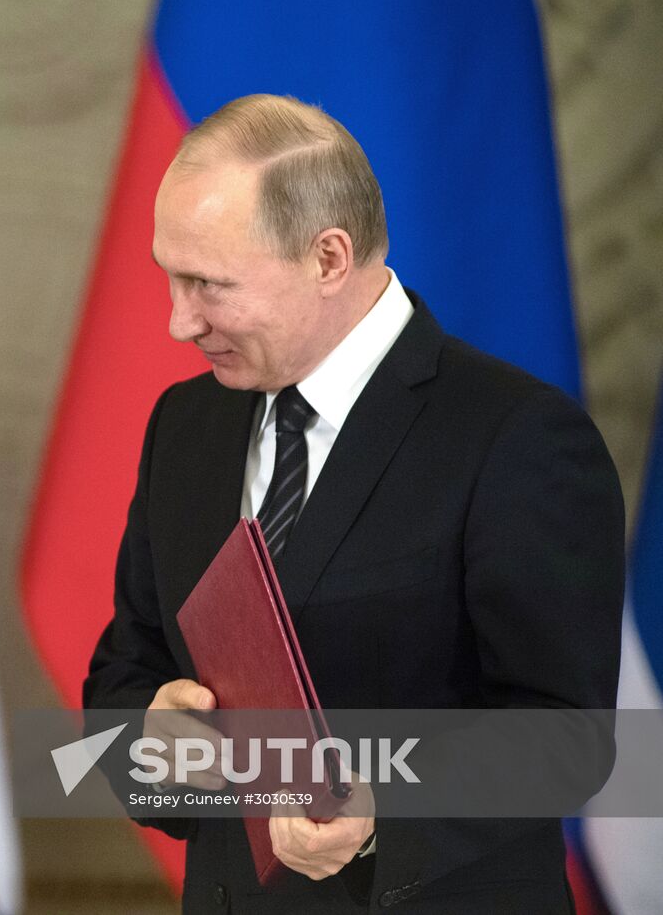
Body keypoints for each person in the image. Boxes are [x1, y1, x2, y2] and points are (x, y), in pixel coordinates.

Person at [84, 94, 625, 913]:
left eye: (209, 285)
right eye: (169, 277)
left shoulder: (516, 436)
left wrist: (381, 804)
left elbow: (567, 738)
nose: (176, 322)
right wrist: (152, 743)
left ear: (329, 258)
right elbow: (126, 672)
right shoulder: (184, 426)